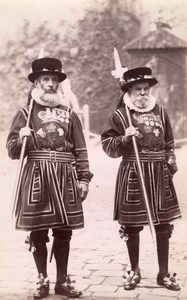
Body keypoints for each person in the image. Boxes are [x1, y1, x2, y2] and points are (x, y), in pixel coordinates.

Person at [6, 56, 93, 299]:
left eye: (55, 80)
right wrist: (20, 137)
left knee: (64, 231)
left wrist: (84, 179)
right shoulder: (25, 113)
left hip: (65, 177)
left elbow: (81, 150)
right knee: (38, 232)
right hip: (36, 177)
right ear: (36, 83)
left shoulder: (69, 114)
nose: (51, 84)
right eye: (46, 79)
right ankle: (42, 280)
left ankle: (62, 282)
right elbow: (13, 152)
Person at [101, 67, 181, 291]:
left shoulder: (161, 112)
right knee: (132, 225)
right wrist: (125, 138)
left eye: (146, 89)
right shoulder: (120, 116)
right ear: (129, 91)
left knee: (163, 225)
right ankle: (134, 270)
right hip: (133, 172)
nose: (143, 94)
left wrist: (170, 165)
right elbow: (108, 145)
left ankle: (163, 273)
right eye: (138, 89)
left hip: (159, 173)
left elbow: (169, 144)